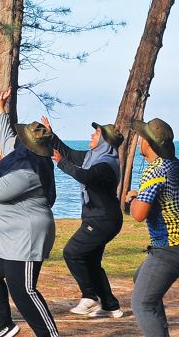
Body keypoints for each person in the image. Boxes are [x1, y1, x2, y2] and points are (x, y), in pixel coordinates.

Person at [0, 92, 59, 337]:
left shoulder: (28, 171)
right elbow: (6, 137)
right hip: (5, 235)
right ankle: (4, 327)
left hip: (25, 236)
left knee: (23, 291)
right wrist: (0, 109)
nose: (17, 141)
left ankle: (49, 335)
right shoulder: (23, 154)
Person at [124, 118, 179, 337]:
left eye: (141, 137)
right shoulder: (174, 164)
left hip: (171, 248)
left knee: (142, 303)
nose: (139, 140)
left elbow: (139, 214)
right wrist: (139, 196)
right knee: (141, 280)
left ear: (147, 143)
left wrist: (132, 199)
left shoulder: (155, 170)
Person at [43, 115, 125, 318]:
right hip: (100, 218)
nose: (92, 135)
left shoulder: (105, 164)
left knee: (72, 252)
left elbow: (85, 176)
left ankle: (89, 296)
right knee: (91, 262)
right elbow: (69, 154)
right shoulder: (92, 157)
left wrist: (62, 164)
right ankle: (110, 305)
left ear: (105, 141)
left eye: (96, 133)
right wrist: (51, 136)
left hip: (102, 220)